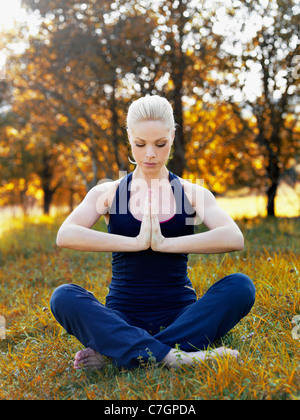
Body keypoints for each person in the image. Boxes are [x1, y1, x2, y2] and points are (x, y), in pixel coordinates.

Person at [50, 95, 255, 370]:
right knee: (63, 296)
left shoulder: (192, 192)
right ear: (129, 139)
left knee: (241, 286)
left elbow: (234, 237)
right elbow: (66, 234)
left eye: (160, 144)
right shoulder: (107, 192)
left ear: (172, 136)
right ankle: (173, 356)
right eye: (140, 144)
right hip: (122, 315)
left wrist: (162, 243)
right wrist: (135, 243)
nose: (150, 154)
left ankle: (121, 351)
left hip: (181, 314)